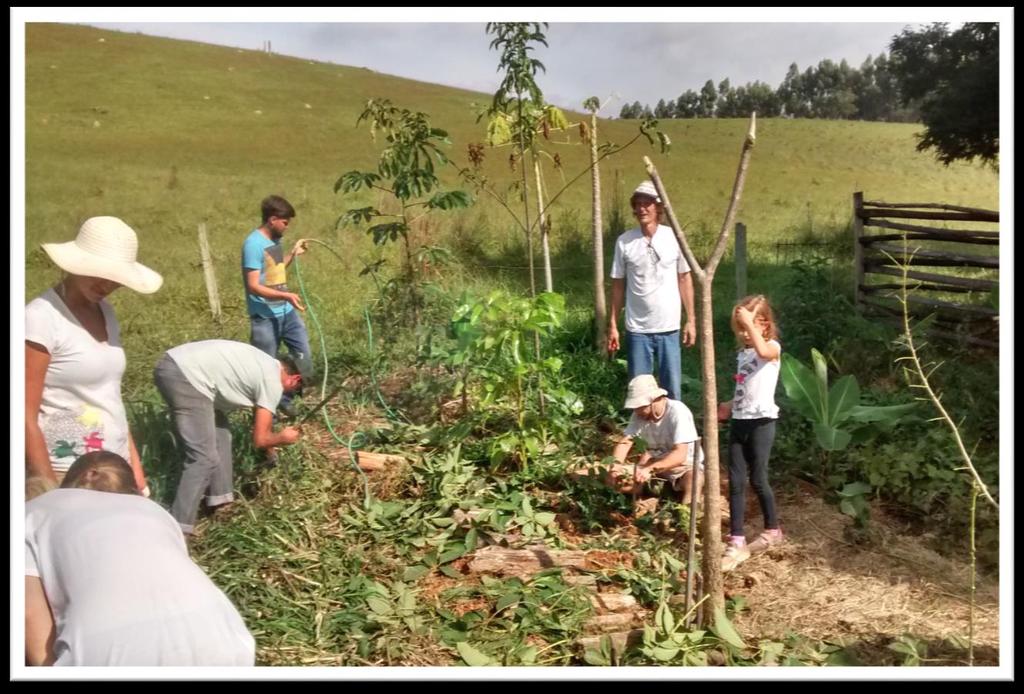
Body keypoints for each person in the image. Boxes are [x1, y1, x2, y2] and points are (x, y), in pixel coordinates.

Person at [24, 451, 255, 666]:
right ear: (130, 489)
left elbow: (28, 614)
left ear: (67, 487)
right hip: (227, 643)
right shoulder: (154, 510)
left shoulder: (32, 513)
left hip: (109, 654)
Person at [25, 216, 163, 498]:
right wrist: (50, 491)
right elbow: (23, 411)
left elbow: (110, 397)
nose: (106, 285)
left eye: (115, 279)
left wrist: (135, 471)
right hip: (69, 472)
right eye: (98, 273)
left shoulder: (106, 313)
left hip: (114, 469)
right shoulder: (41, 317)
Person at [153, 339, 312, 535]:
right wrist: (282, 438)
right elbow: (260, 439)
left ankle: (220, 503)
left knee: (222, 436)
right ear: (294, 379)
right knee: (203, 457)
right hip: (186, 377)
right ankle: (178, 529)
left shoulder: (267, 366)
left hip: (181, 367)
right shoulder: (273, 382)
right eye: (295, 390)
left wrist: (271, 453)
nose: (290, 393)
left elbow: (263, 424)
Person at [607, 180, 696, 402]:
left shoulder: (673, 238)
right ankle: (644, 435)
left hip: (669, 326)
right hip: (637, 329)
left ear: (658, 208)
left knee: (672, 390)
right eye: (638, 204)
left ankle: (676, 434)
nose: (642, 208)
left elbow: (684, 278)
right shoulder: (625, 242)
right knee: (639, 392)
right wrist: (613, 325)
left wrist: (691, 320)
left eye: (647, 203)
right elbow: (618, 285)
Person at [718, 295, 784, 572]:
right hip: (740, 420)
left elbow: (765, 353)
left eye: (748, 327)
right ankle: (736, 538)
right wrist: (729, 405)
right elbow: (746, 388)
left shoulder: (771, 347)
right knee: (734, 480)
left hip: (762, 423)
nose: (744, 334)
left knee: (758, 478)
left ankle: (773, 530)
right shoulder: (744, 353)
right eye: (740, 329)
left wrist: (751, 326)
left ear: (765, 325)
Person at [241, 194, 312, 418]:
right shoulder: (253, 245)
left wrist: (292, 254)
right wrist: (288, 295)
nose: (287, 227)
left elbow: (275, 272)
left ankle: (287, 399)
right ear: (272, 220)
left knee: (303, 355)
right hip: (264, 317)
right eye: (285, 222)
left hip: (286, 312)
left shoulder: (275, 242)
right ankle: (265, 416)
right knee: (266, 368)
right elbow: (253, 285)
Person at [604, 374, 704, 502]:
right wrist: (615, 467)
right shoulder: (638, 415)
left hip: (683, 467)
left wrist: (649, 469)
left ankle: (686, 511)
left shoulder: (678, 412)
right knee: (614, 480)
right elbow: (625, 443)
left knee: (694, 479)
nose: (638, 412)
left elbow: (680, 454)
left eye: (641, 407)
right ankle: (656, 493)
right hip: (653, 466)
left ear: (654, 400)